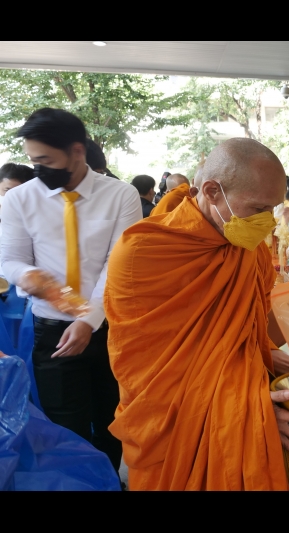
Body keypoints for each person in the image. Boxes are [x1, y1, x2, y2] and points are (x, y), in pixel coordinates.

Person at [105, 138, 289, 491]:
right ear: (211, 191)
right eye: (257, 209)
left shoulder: (248, 250)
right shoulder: (143, 253)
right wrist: (252, 412)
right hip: (170, 433)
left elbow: (254, 330)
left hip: (236, 405)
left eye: (273, 209)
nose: (266, 222)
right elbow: (149, 372)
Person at [0, 107, 142, 476]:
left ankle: (111, 480)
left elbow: (119, 267)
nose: (39, 168)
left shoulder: (121, 196)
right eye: (34, 161)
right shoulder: (19, 200)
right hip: (52, 331)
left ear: (77, 151)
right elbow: (9, 259)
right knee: (66, 429)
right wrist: (29, 275)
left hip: (110, 330)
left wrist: (90, 320)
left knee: (114, 419)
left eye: (46, 160)